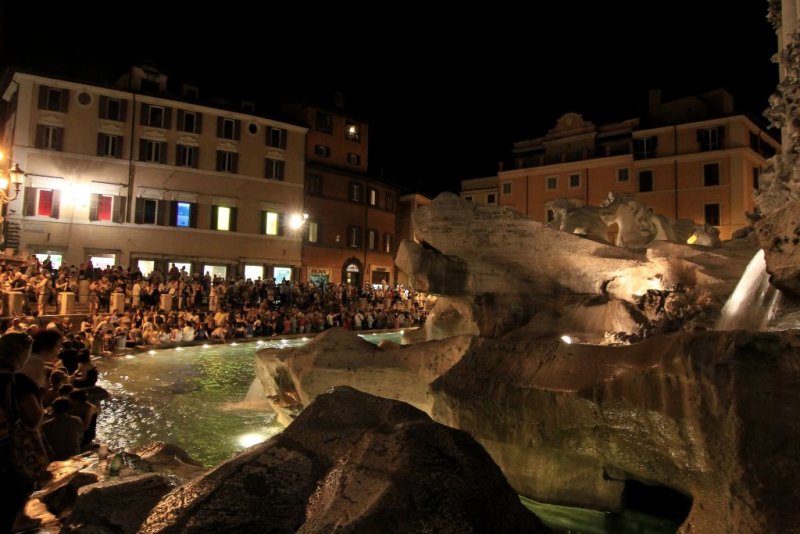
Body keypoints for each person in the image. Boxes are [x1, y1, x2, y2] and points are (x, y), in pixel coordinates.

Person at [0, 333, 43, 533]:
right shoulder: (18, 382)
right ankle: (18, 520)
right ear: (21, 354)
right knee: (23, 481)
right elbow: (33, 416)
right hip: (8, 442)